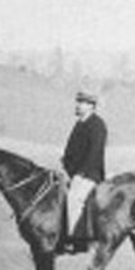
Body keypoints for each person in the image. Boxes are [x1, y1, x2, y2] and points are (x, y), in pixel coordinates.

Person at [58, 91, 107, 254]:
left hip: (90, 174)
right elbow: (70, 151)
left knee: (74, 199)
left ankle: (73, 241)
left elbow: (95, 154)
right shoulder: (79, 124)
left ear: (92, 106)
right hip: (73, 173)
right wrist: (64, 169)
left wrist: (79, 175)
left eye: (83, 102)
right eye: (78, 101)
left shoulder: (98, 125)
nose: (78, 105)